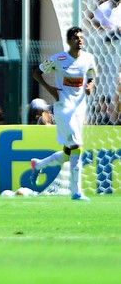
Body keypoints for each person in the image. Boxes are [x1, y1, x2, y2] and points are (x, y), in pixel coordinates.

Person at [30, 27, 96, 201]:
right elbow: (36, 72)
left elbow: (90, 74)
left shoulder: (89, 58)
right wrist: (50, 88)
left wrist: (90, 85)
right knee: (77, 146)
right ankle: (76, 191)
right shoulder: (58, 59)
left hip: (80, 108)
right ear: (69, 41)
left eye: (81, 37)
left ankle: (38, 164)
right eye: (75, 38)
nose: (79, 40)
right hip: (63, 107)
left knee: (68, 152)